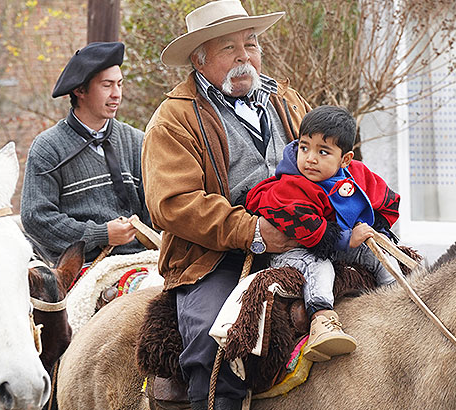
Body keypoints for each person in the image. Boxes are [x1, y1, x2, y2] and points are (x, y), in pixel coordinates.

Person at [141, 1, 311, 409]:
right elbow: (173, 203)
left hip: (306, 239)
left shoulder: (286, 101)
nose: (244, 57)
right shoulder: (173, 118)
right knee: (213, 342)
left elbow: (329, 159)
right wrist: (252, 232)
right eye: (227, 49)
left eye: (250, 44)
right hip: (213, 257)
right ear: (199, 61)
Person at [245, 105, 401, 362]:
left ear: (345, 159)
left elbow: (387, 199)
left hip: (341, 243)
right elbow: (303, 224)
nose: (310, 158)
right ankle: (322, 320)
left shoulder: (356, 174)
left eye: (323, 151)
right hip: (294, 250)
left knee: (381, 256)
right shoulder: (291, 184)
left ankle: (399, 300)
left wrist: (376, 230)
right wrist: (345, 238)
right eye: (304, 147)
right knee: (320, 266)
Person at [21, 42, 152, 263]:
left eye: (119, 84)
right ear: (80, 90)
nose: (116, 94)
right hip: (81, 270)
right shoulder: (47, 147)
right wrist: (102, 234)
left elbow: (155, 211)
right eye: (107, 85)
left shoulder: (137, 140)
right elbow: (37, 218)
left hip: (144, 263)